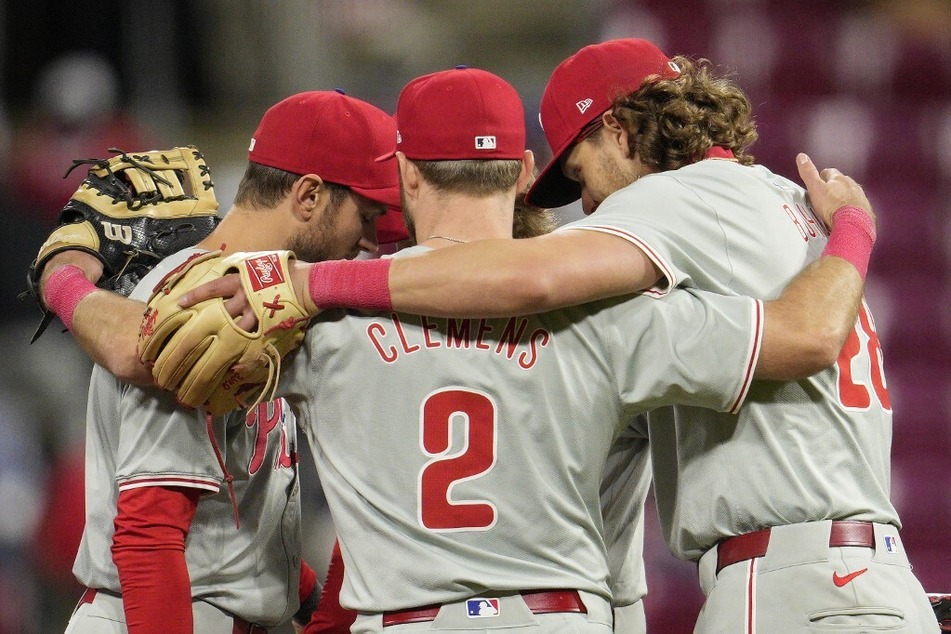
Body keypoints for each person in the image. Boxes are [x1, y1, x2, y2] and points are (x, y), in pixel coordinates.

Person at [244, 40, 936, 631]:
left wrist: (315, 284)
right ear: (514, 172)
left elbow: (531, 278)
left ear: (620, 132)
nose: (591, 203)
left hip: (791, 578)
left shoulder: (674, 198)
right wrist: (854, 229)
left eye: (579, 173)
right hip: (863, 569)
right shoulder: (779, 198)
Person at [36, 90, 400, 633]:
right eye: (366, 216)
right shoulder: (204, 301)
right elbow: (149, 535)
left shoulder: (265, 305)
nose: (370, 241)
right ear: (308, 195)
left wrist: (305, 603)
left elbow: (235, 528)